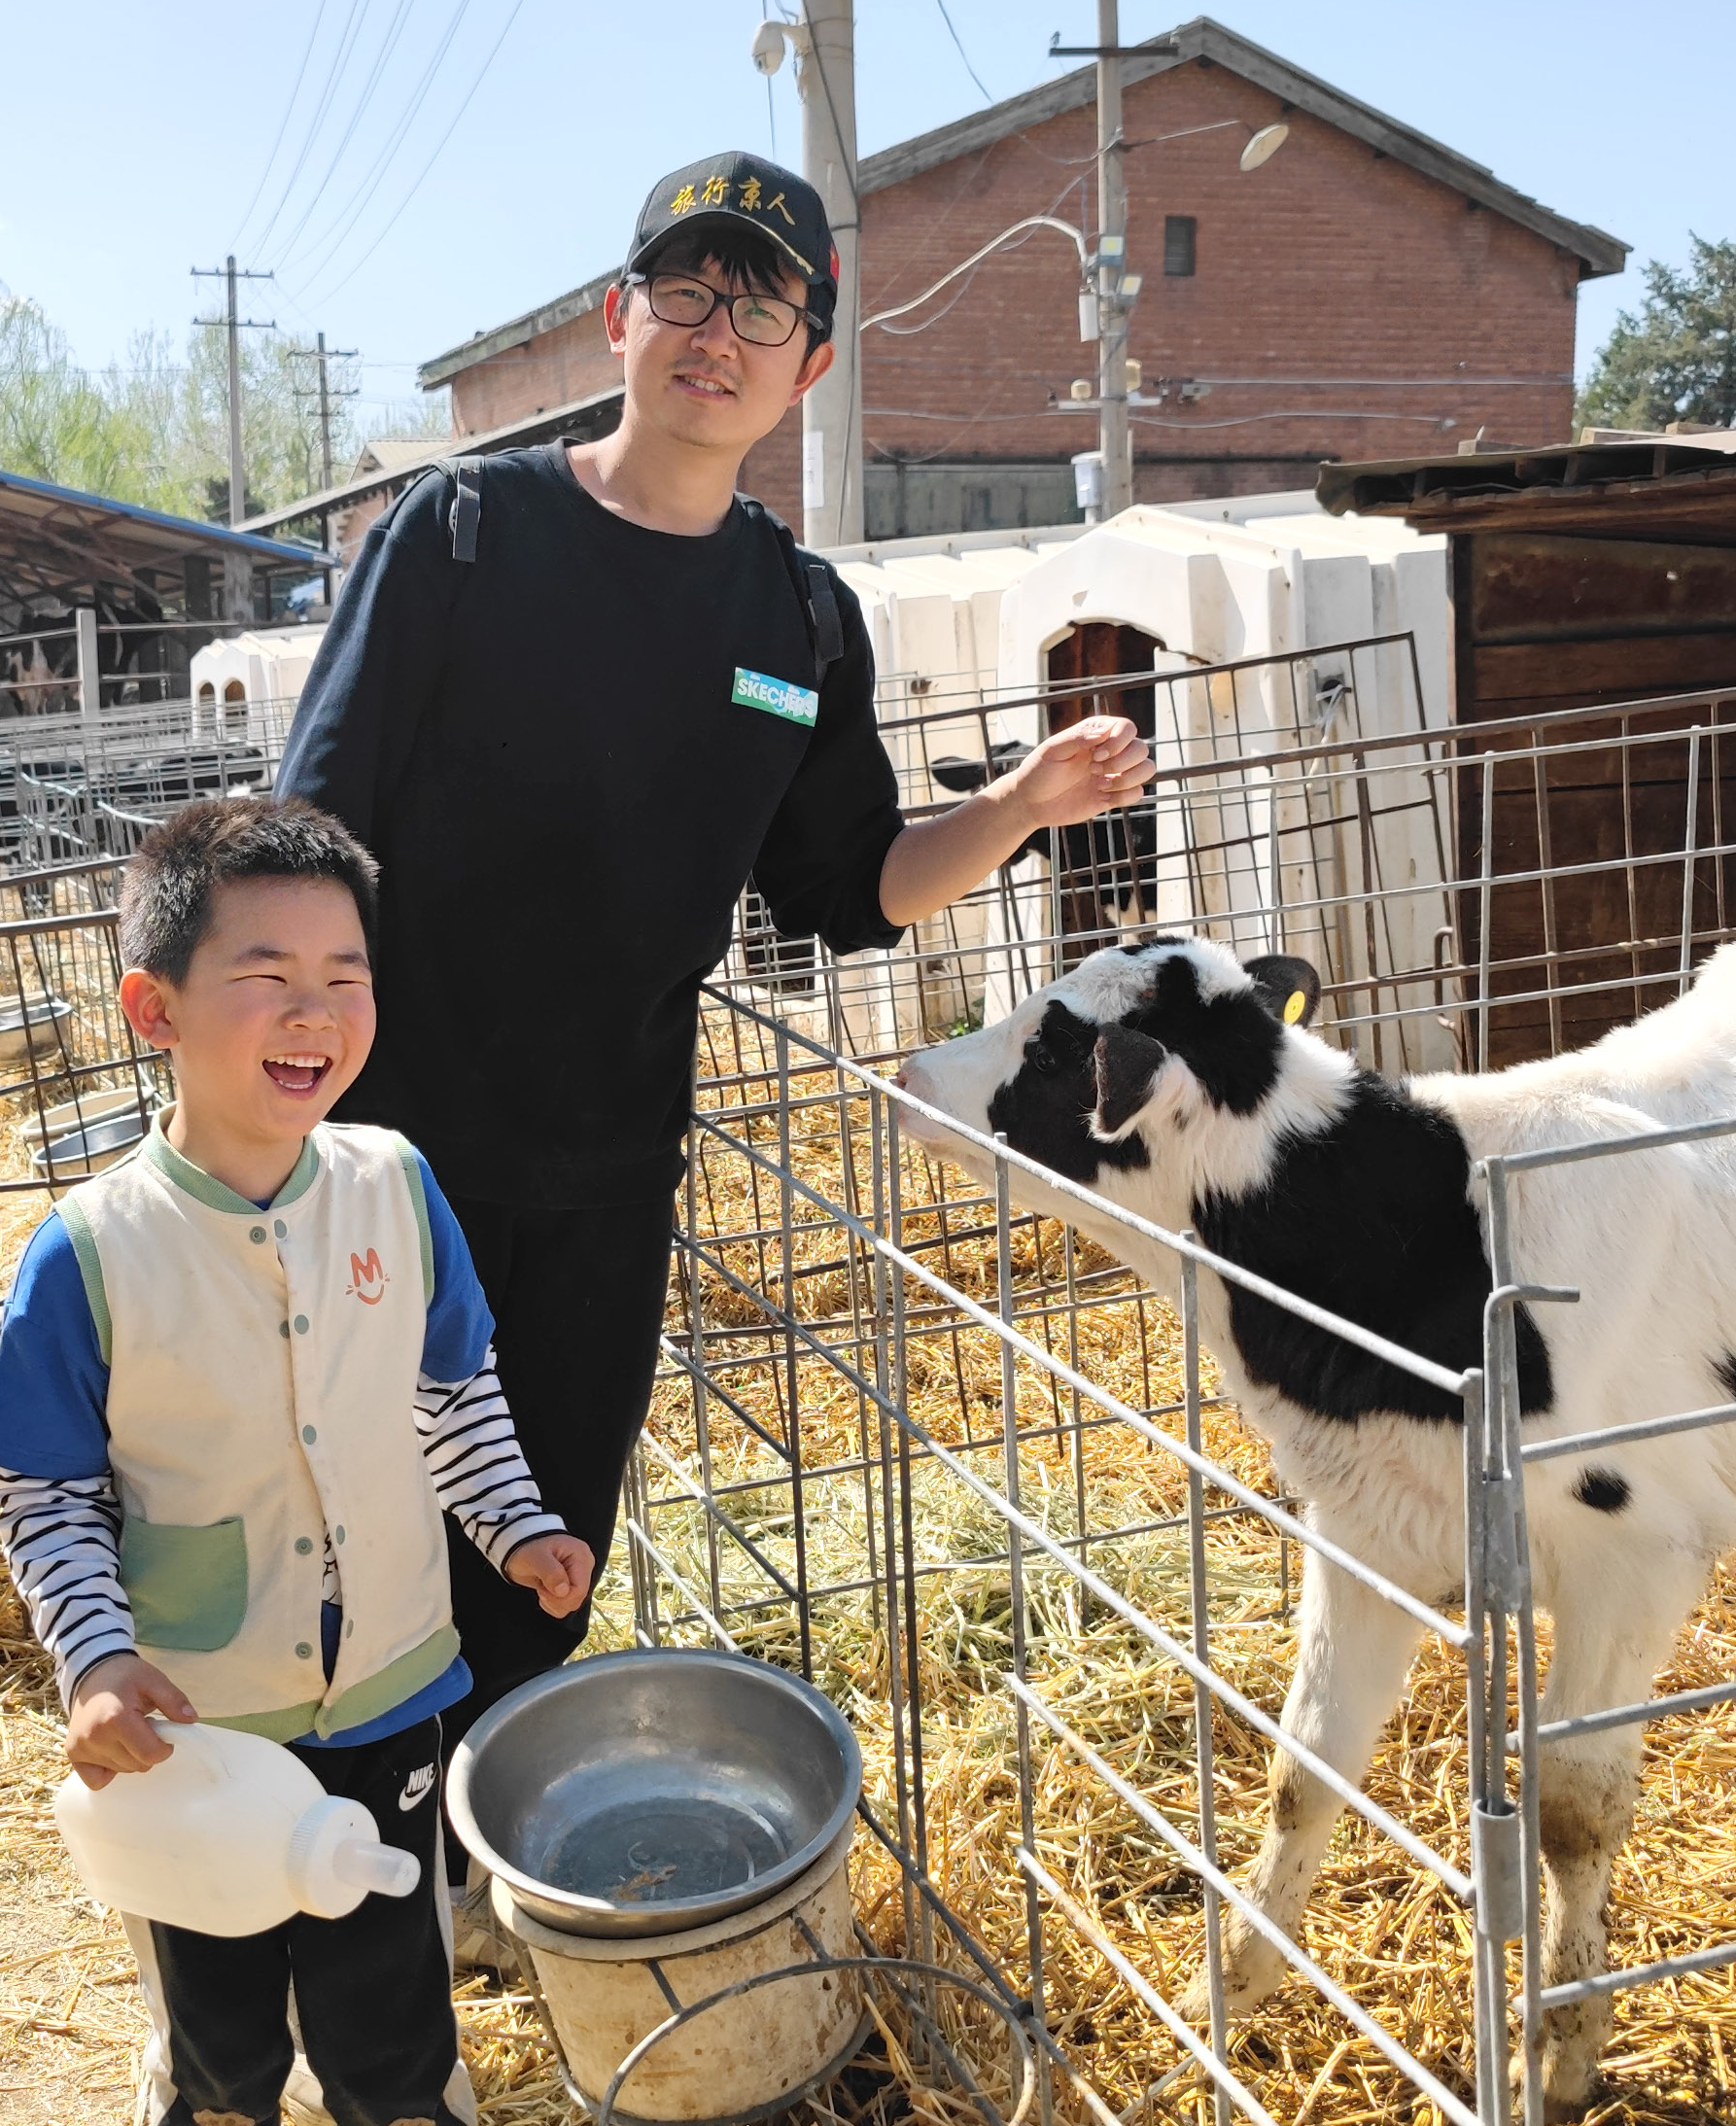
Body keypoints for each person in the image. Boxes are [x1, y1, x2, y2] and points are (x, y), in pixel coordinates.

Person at [275, 148, 1147, 1963]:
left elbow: (853, 889)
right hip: (394, 1144)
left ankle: (455, 1889)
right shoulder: (458, 539)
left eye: (765, 305)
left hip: (606, 1160)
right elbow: (315, 824)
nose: (718, 331)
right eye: (687, 289)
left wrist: (1019, 805)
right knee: (353, 1518)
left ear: (810, 364)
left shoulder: (798, 621)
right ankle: (310, 1892)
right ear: (620, 316)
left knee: (541, 1536)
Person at [0, 797, 586, 2126]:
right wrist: (94, 1660)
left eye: (346, 971)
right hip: (208, 1754)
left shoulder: (394, 1187)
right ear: (152, 1008)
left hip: (393, 1699)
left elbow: (452, 1393)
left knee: (395, 2045)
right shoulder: (89, 1249)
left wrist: (518, 1529)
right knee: (226, 2063)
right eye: (265, 972)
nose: (314, 1007)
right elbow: (45, 1481)